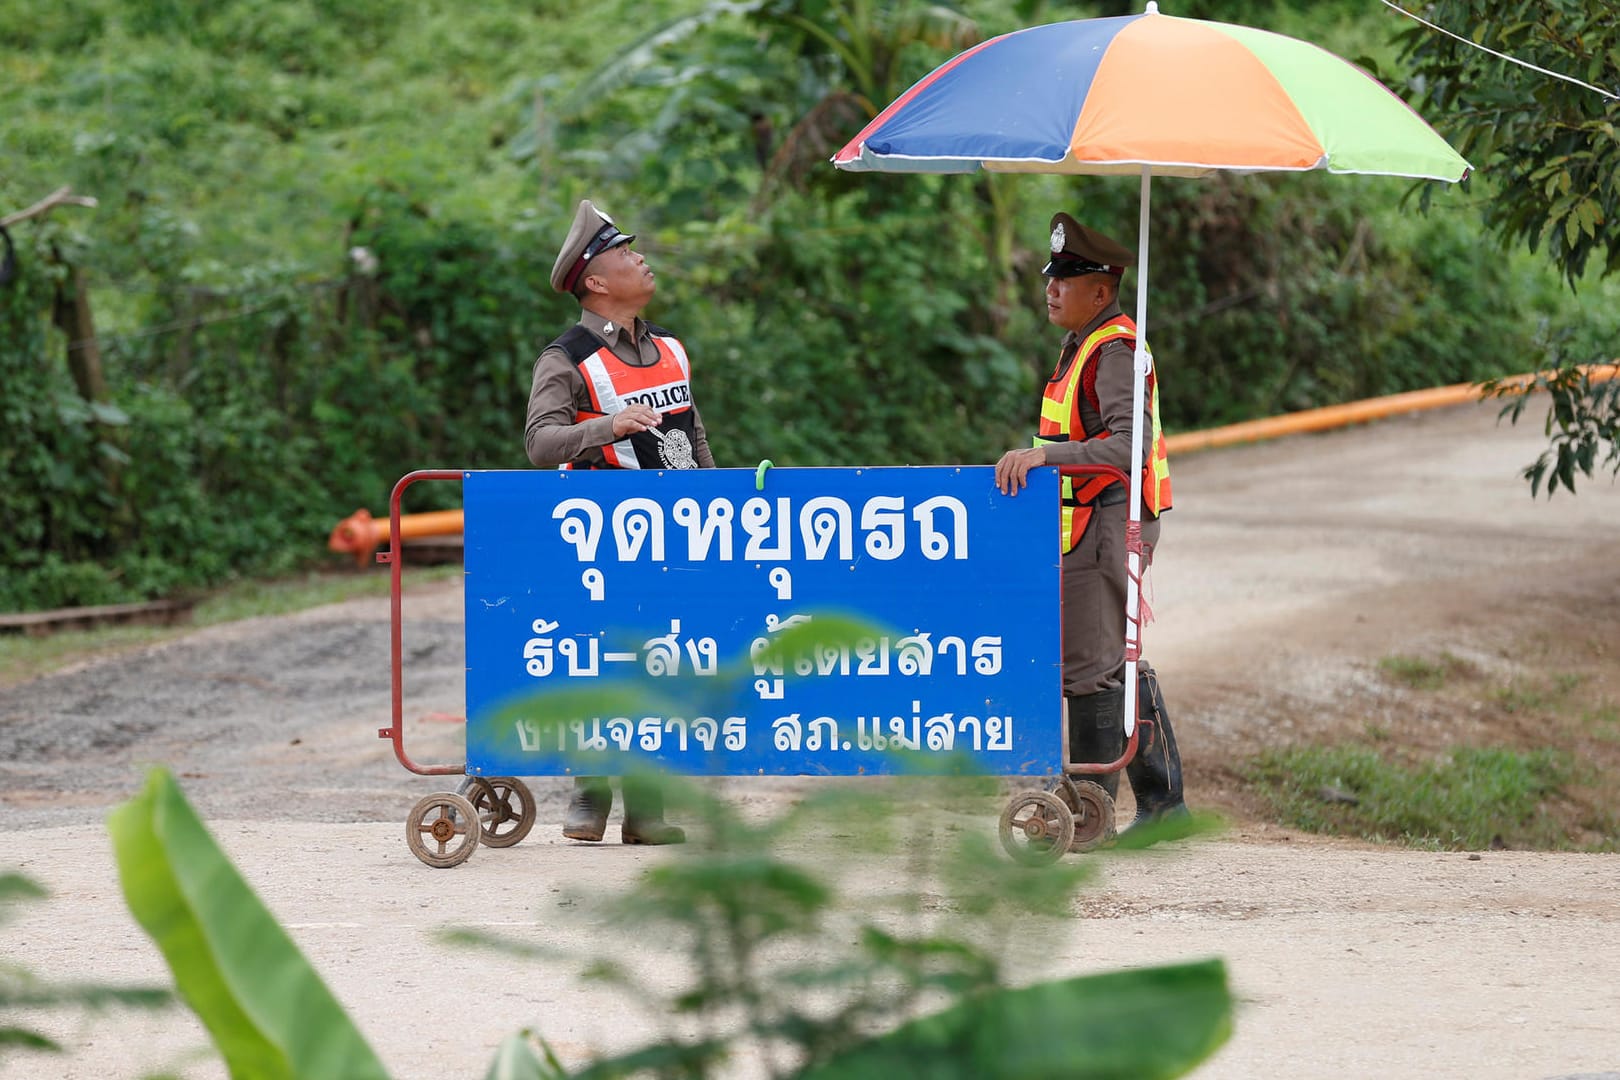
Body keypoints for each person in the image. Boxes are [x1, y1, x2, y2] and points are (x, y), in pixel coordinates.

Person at [524, 199, 715, 845]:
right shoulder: (567, 357)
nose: (642, 258)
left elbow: (695, 438)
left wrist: (724, 508)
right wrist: (607, 426)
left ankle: (646, 810)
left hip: (681, 537)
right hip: (606, 543)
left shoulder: (671, 348)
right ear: (597, 283)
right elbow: (540, 444)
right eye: (626, 253)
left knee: (665, 664)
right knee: (604, 664)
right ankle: (590, 793)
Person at [992, 212, 1187, 839]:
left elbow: (1127, 445)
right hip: (1090, 519)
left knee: (1092, 668)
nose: (1051, 288)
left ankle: (1090, 813)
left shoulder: (1115, 348)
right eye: (1052, 277)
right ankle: (1161, 806)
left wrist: (1045, 457)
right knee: (1110, 661)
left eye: (1067, 278)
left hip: (1111, 520)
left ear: (1100, 292)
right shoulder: (1085, 342)